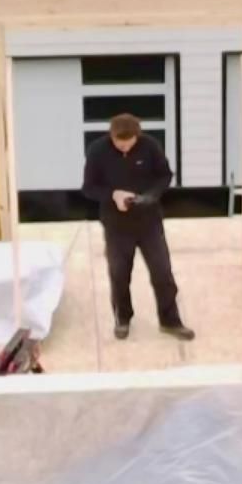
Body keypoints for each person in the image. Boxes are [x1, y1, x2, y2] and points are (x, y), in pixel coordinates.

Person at [81, 113, 193, 341]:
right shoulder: (97, 150)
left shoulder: (150, 146)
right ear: (111, 136)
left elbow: (165, 175)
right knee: (119, 274)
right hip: (116, 224)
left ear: (137, 136)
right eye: (119, 143)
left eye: (129, 143)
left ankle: (170, 321)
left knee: (162, 272)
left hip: (149, 222)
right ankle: (123, 318)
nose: (124, 147)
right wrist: (113, 195)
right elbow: (89, 188)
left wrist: (151, 195)